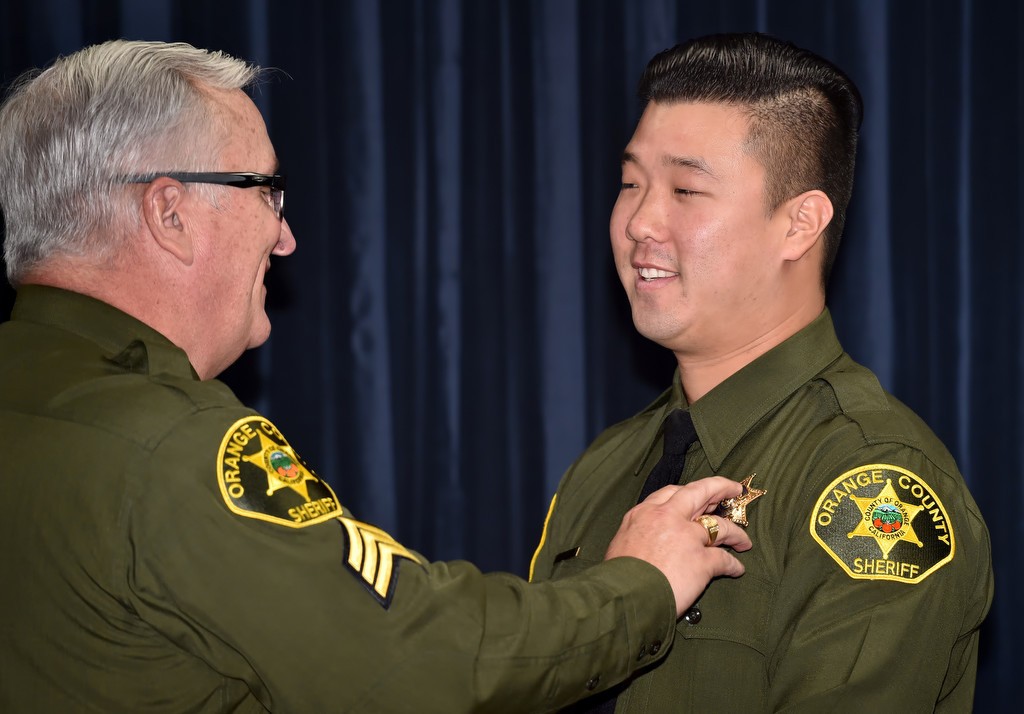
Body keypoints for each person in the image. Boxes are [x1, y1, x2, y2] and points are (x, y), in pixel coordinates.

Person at [0, 40, 754, 712]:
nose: (285, 235)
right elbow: (423, 664)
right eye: (267, 190)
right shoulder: (166, 449)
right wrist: (640, 586)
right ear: (169, 213)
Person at [529, 32, 993, 712]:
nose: (639, 222)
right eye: (631, 183)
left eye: (686, 189)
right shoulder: (606, 466)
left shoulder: (869, 485)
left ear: (799, 224)